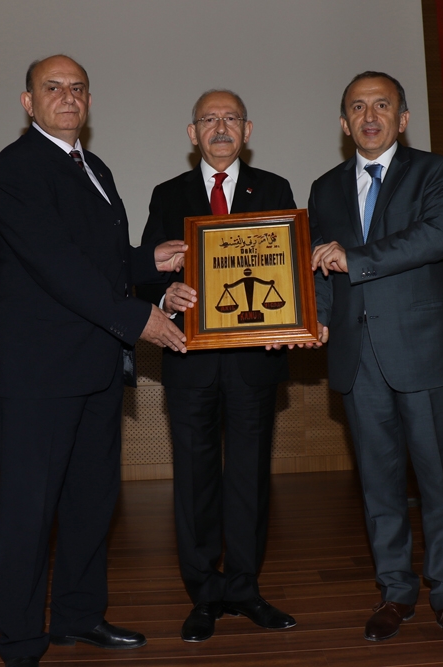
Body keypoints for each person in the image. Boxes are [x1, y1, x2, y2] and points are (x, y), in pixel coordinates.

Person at [0, 54, 189, 667]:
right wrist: (138, 318)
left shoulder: (93, 166)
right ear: (28, 102)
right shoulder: (18, 165)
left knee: (90, 501)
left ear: (90, 101)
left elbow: (101, 257)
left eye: (78, 88)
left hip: (95, 365)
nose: (68, 97)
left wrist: (149, 261)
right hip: (38, 373)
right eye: (53, 88)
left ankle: (78, 616)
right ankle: (21, 642)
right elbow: (57, 265)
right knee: (30, 512)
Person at [308, 72, 443, 653]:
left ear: (403, 119)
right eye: (357, 107)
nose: (370, 116)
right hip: (357, 358)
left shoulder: (434, 172)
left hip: (424, 351)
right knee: (378, 486)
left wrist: (353, 258)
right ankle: (395, 592)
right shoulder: (325, 187)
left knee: (439, 484)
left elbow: (435, 238)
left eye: (382, 105)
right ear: (344, 123)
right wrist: (318, 319)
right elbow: (322, 266)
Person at [138, 90, 297, 643]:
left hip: (255, 362)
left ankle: (246, 589)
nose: (221, 127)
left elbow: (287, 266)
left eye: (231, 118)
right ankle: (204, 595)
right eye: (209, 119)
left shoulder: (274, 189)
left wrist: (286, 319)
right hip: (190, 360)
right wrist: (165, 296)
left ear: (248, 130)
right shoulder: (168, 194)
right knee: (195, 481)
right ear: (193, 133)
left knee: (250, 478)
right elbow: (146, 271)